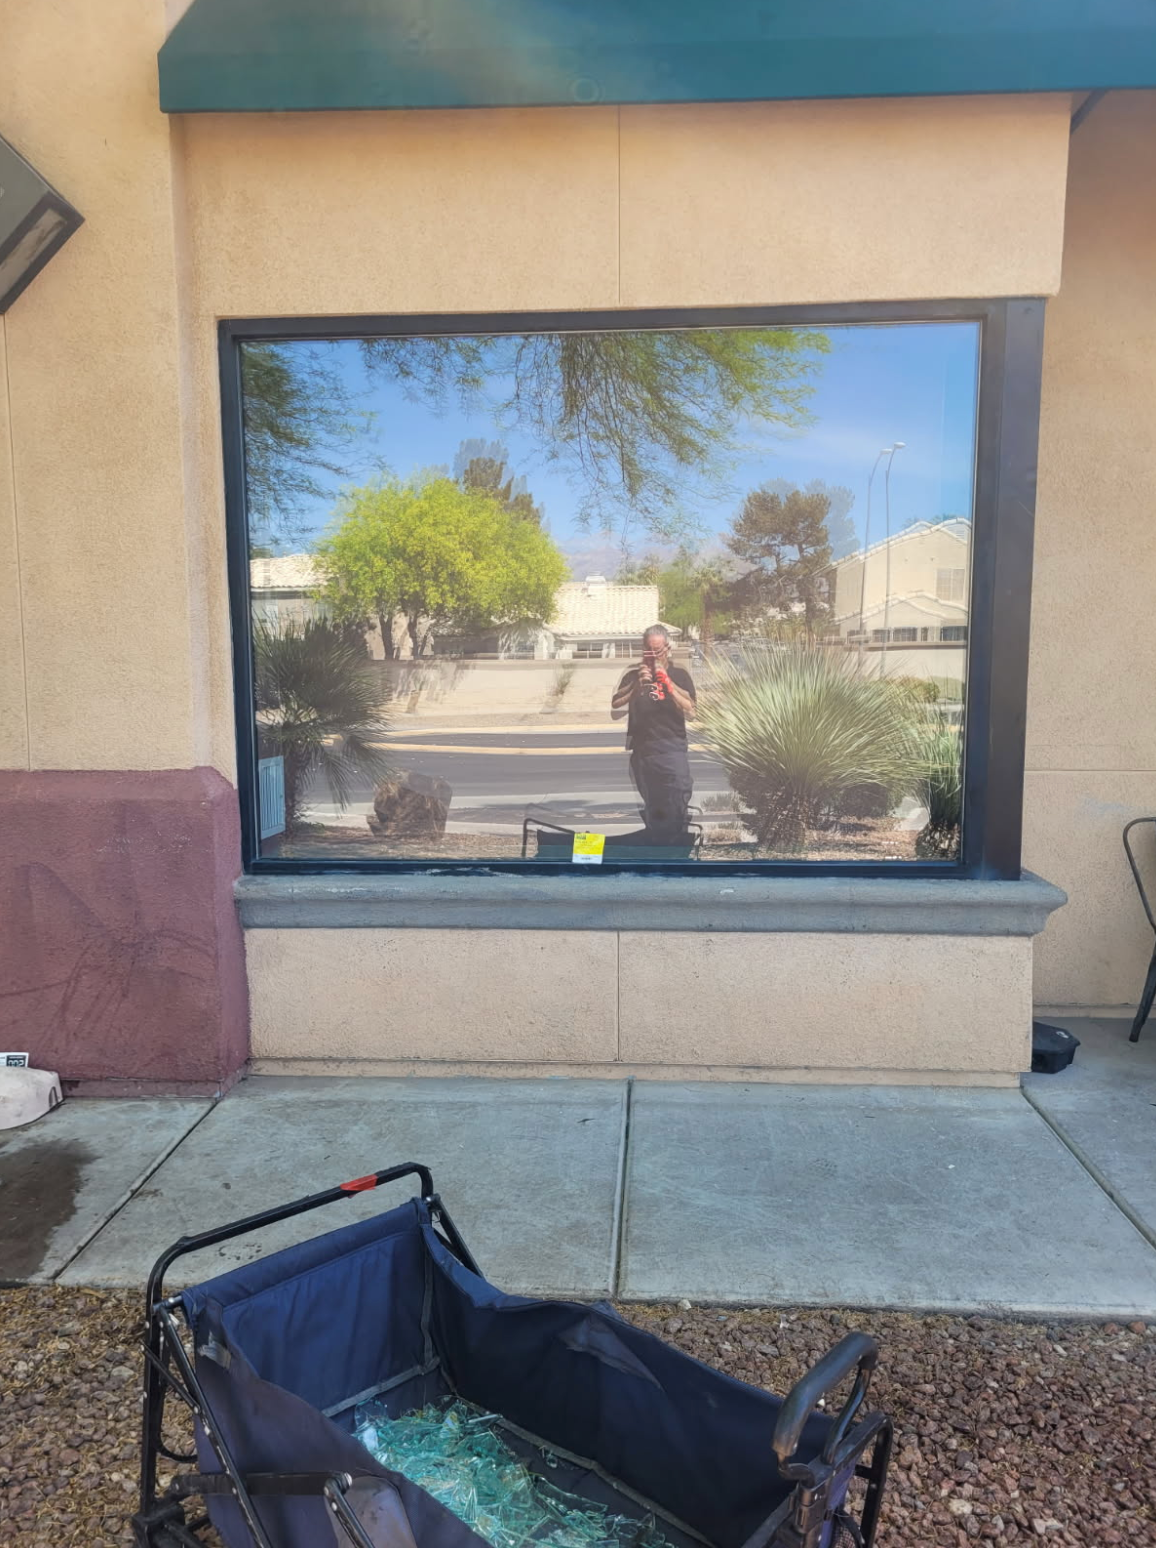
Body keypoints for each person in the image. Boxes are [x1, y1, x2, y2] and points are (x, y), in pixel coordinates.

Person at [611, 625, 697, 841]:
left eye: (657, 650)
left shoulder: (680, 674)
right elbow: (615, 711)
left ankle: (678, 844)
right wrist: (636, 688)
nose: (652, 655)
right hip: (643, 750)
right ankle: (656, 846)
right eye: (648, 650)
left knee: (677, 798)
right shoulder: (633, 674)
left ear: (667, 648)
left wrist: (668, 684)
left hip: (672, 747)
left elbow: (692, 711)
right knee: (653, 806)